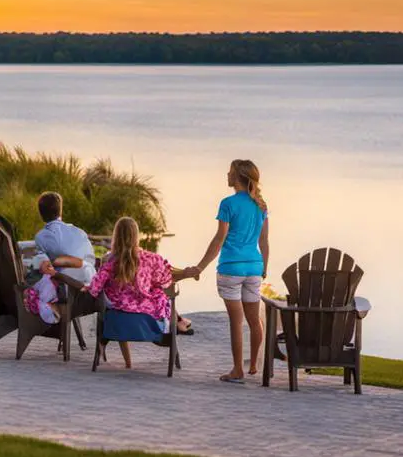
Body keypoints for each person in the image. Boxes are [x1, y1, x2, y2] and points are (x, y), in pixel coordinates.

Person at [185, 159, 270, 384]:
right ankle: (253, 364)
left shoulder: (227, 204)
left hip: (231, 269)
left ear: (238, 177)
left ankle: (237, 370)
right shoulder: (261, 205)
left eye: (230, 172)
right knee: (254, 321)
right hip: (253, 268)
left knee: (236, 322)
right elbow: (264, 241)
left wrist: (200, 267)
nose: (227, 175)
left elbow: (218, 240)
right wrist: (265, 267)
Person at [78, 217, 198, 368]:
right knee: (163, 297)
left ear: (116, 236)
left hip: (119, 312)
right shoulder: (152, 259)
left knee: (111, 299)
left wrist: (86, 287)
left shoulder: (110, 260)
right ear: (136, 236)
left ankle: (110, 349)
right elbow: (166, 282)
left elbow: (95, 287)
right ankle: (179, 321)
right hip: (146, 313)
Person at [32, 192, 97, 284]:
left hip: (66, 286)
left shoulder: (41, 237)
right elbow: (91, 260)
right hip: (89, 282)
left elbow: (40, 268)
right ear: (60, 211)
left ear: (41, 214)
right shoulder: (79, 232)